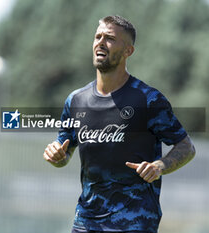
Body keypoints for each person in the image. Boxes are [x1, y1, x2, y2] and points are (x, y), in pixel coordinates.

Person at [43, 15, 195, 233]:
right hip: (86, 221)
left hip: (134, 223)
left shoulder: (148, 100)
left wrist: (158, 167)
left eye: (110, 38)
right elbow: (64, 154)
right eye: (98, 36)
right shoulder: (76, 100)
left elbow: (186, 147)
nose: (101, 42)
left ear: (128, 51)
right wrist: (56, 155)